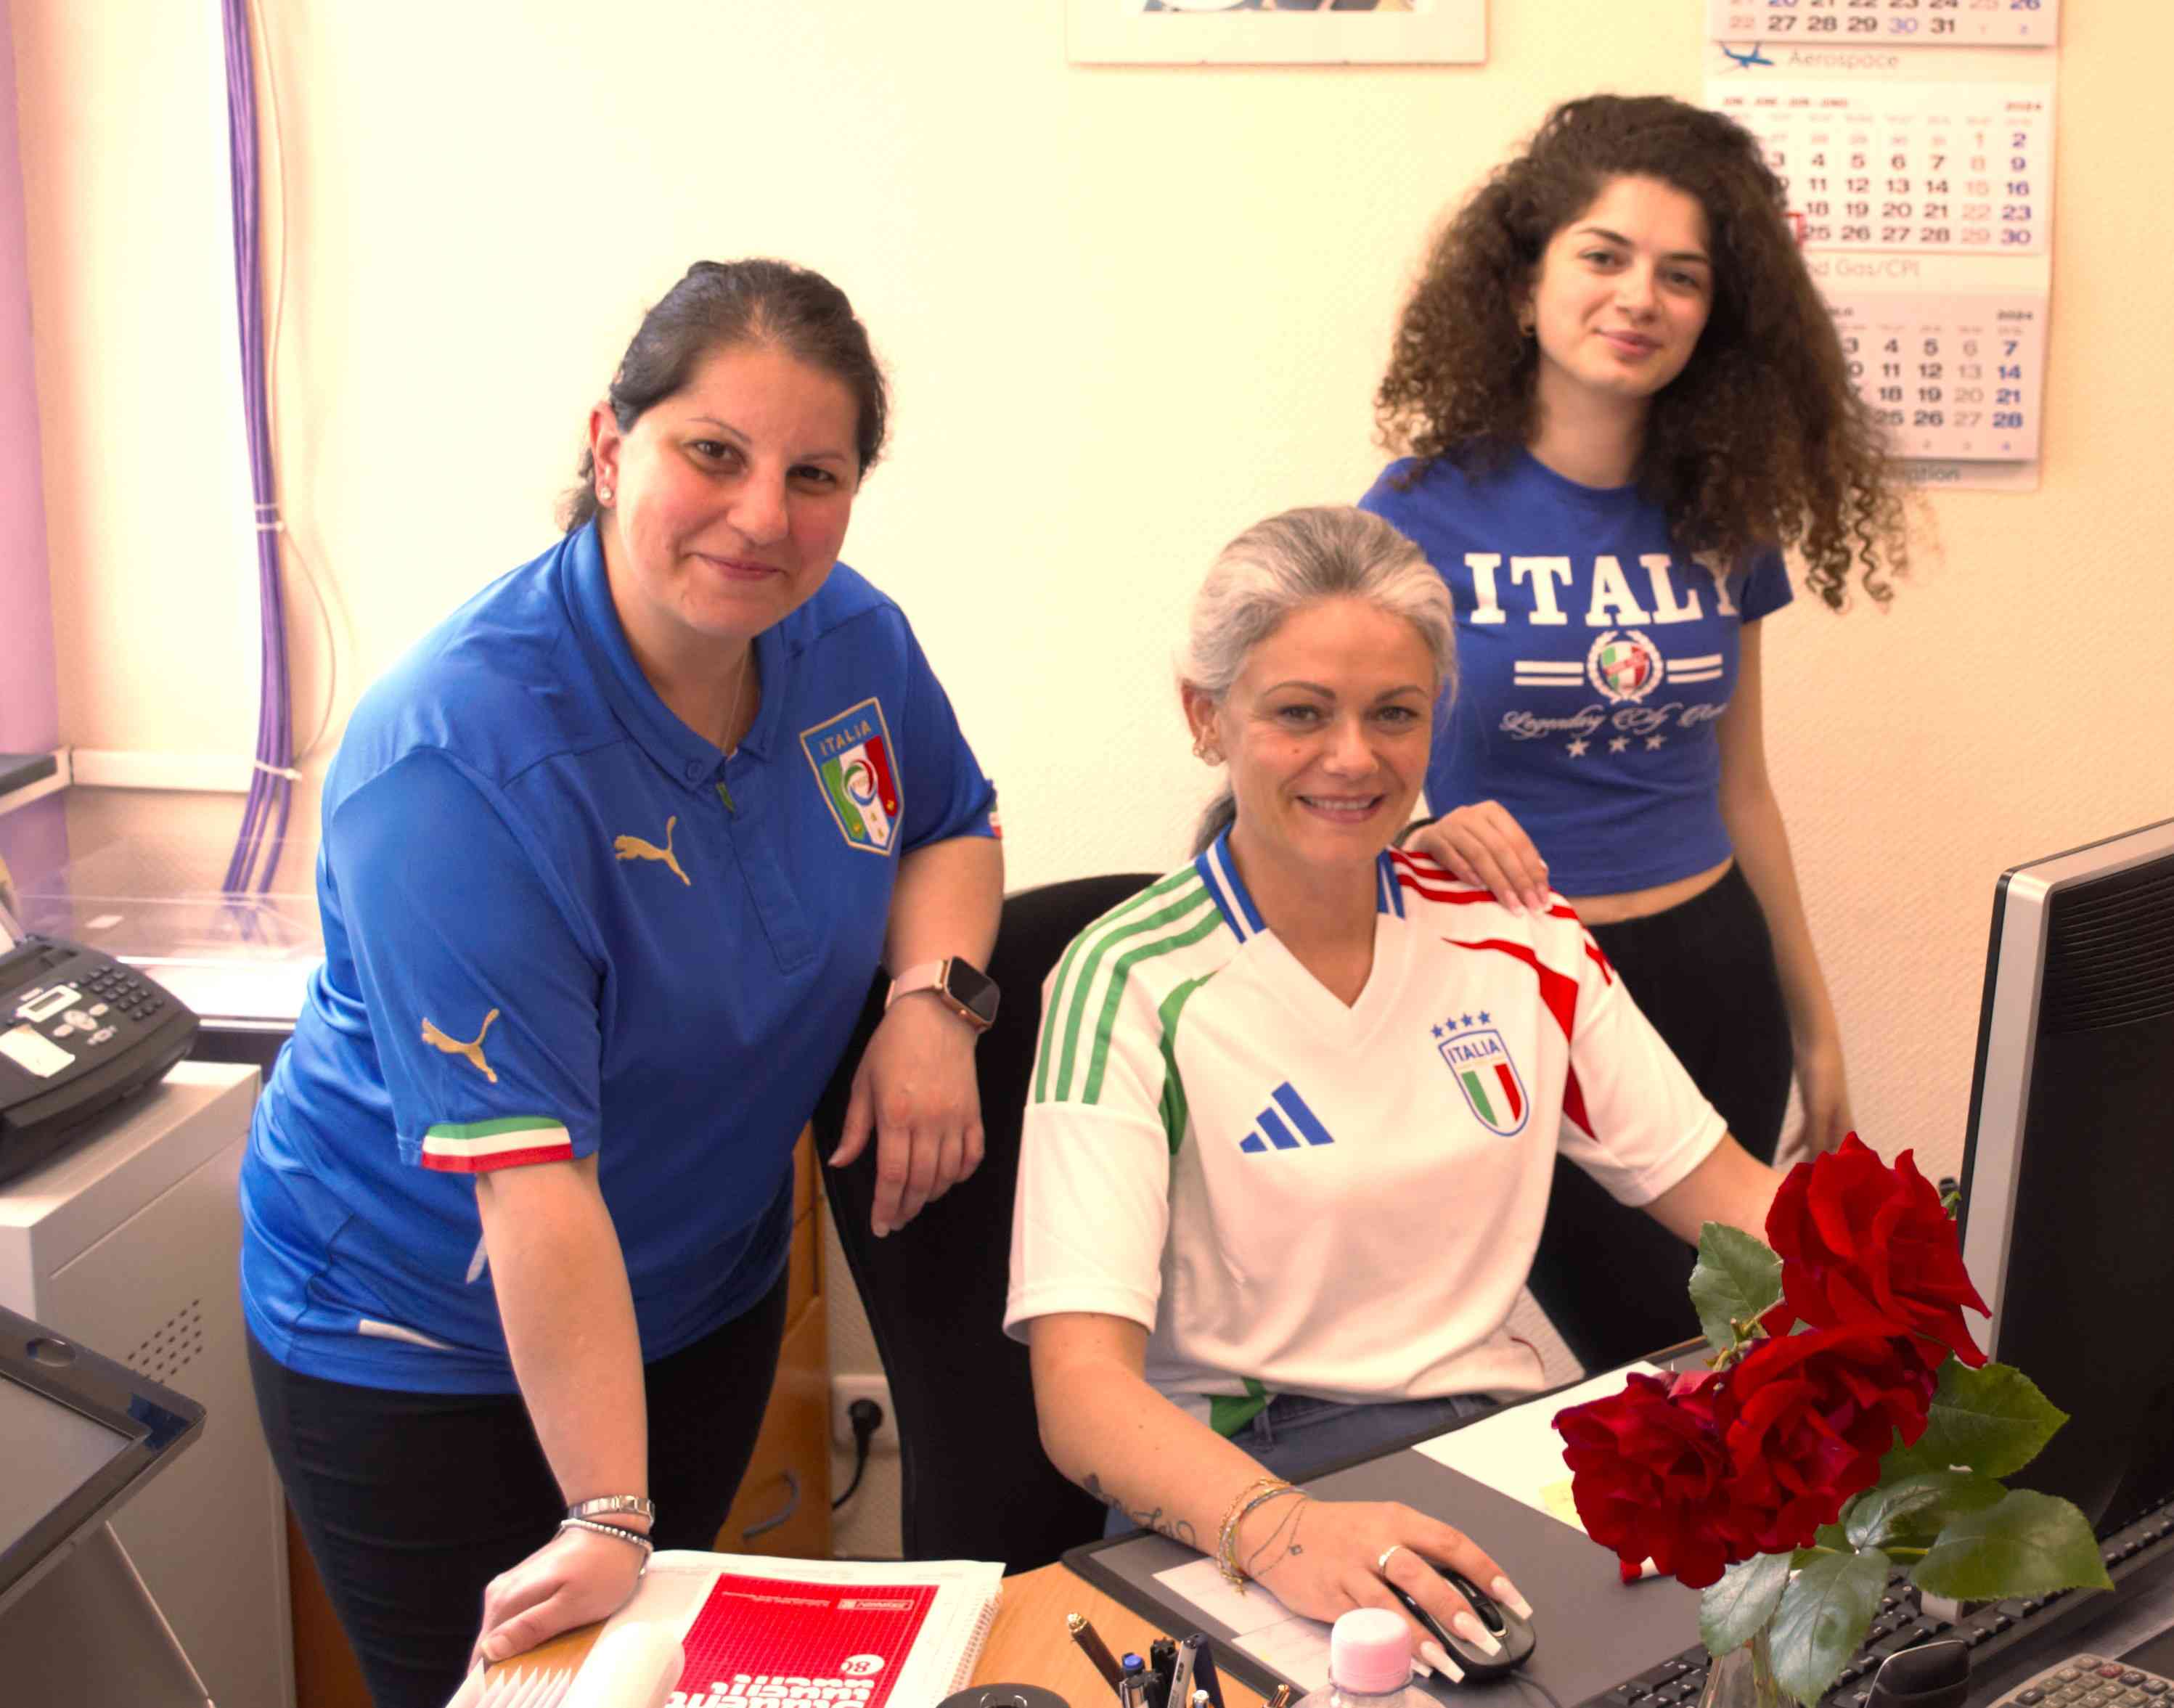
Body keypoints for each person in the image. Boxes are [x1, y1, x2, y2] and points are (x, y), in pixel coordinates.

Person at [238, 259, 1005, 1708]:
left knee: (662, 1678)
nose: (763, 515)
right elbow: (531, 1184)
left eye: (815, 473)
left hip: (701, 1292)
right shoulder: (459, 760)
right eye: (712, 452)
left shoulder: (848, 641)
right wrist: (605, 1510)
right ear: (610, 444)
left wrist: (932, 1006)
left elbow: (951, 824)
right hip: (425, 1342)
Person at [1007, 505, 1780, 1664]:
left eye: (1395, 714)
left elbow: (1732, 1194)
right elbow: (1080, 1390)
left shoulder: (1520, 936)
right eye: (1301, 712)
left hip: (1500, 1443)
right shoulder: (1125, 982)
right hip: (1247, 1480)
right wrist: (1283, 1528)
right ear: (1206, 717)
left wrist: (1924, 1298)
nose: (1354, 757)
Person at [1360, 94, 1911, 1370]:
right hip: (1519, 986)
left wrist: (1817, 1020)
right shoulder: (1416, 515)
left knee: (1728, 1352)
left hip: (1713, 974)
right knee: (1626, 1359)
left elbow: (1747, 787)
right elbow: (1346, 769)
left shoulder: (1723, 514)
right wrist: (1427, 820)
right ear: (1522, 285)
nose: (1639, 297)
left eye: (1682, 275)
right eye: (1603, 257)